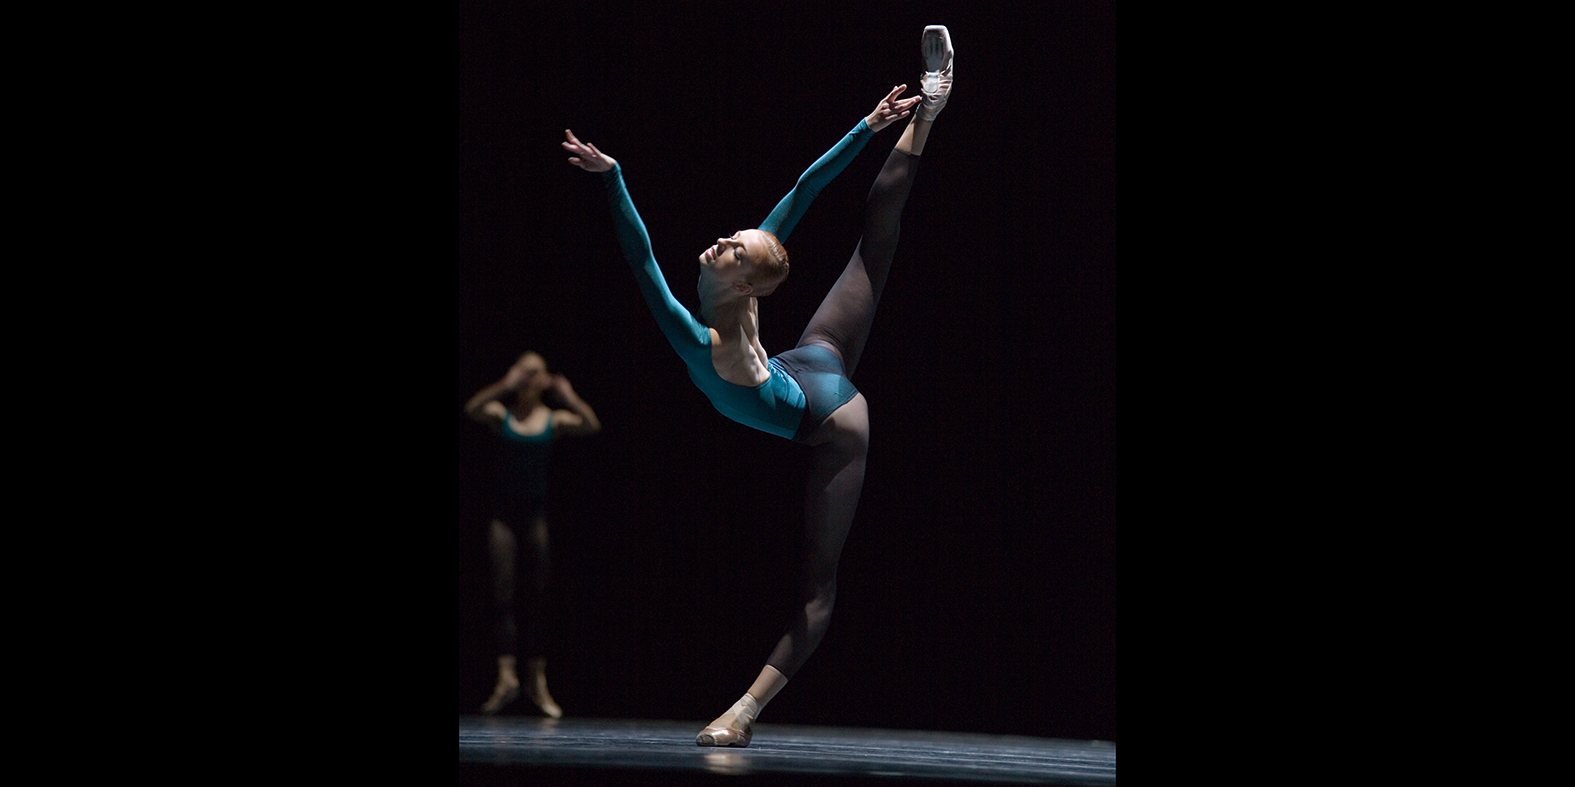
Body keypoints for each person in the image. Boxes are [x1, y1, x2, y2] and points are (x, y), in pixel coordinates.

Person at [562, 25, 954, 747]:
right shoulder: (728, 300)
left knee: (816, 587)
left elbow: (641, 258)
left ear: (743, 281)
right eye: (729, 240)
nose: (719, 242)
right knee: (874, 242)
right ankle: (924, 115)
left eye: (732, 248)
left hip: (831, 416)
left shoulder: (699, 335)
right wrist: (865, 125)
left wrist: (613, 178)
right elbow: (802, 190)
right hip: (807, 360)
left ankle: (743, 712)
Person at [465, 351, 602, 716]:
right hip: (503, 516)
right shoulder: (502, 414)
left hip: (534, 514)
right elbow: (473, 409)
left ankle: (536, 681)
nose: (528, 378)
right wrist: (504, 384)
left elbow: (590, 425)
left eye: (534, 373)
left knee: (537, 595)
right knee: (503, 592)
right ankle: (506, 677)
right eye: (523, 372)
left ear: (544, 380)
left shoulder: (553, 419)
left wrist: (568, 396)